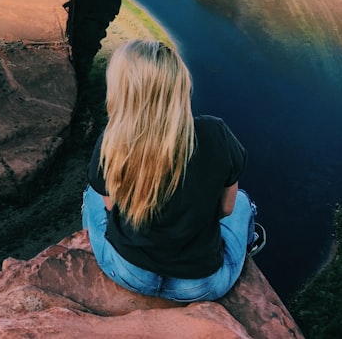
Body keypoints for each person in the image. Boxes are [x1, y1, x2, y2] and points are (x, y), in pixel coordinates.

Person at [82, 39, 265, 302]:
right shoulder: (216, 134)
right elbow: (226, 209)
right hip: (200, 285)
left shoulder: (111, 142)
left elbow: (112, 206)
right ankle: (250, 243)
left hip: (128, 273)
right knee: (243, 202)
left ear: (122, 91)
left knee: (92, 193)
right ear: (180, 85)